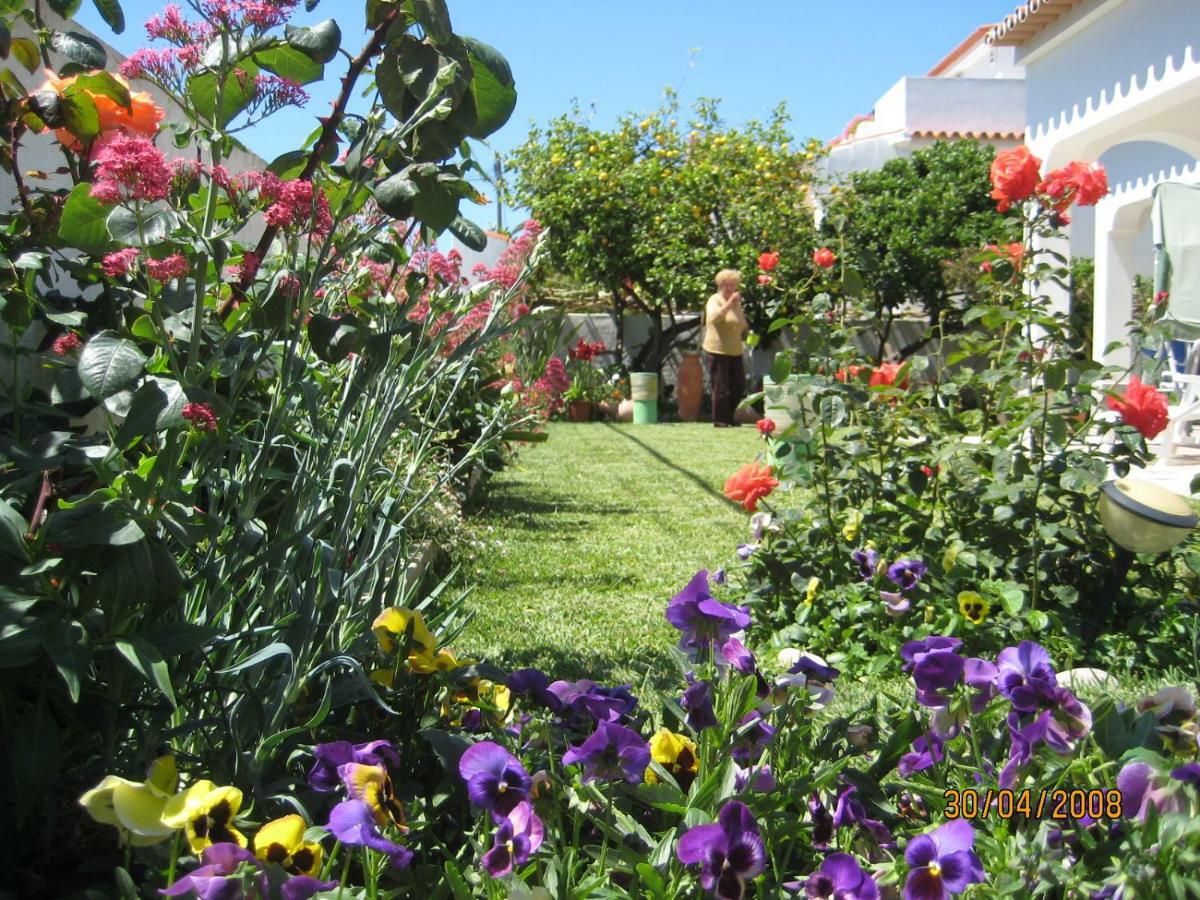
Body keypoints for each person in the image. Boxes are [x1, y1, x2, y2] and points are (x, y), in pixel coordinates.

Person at [703, 269, 748, 427]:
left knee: (738, 386)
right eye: (726, 285)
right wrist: (729, 304)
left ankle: (729, 416)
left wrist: (747, 330)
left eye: (732, 285)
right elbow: (714, 318)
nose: (729, 288)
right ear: (720, 285)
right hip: (717, 350)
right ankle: (720, 420)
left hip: (735, 350)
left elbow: (740, 321)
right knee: (721, 387)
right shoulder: (714, 300)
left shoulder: (737, 302)